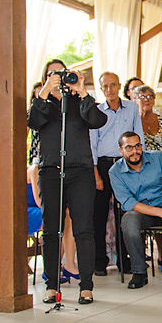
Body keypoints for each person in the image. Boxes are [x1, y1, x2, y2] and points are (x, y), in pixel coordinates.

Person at [29, 64, 108, 304]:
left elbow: (97, 120)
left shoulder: (79, 101)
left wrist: (81, 91)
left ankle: (86, 285)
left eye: (63, 73)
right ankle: (51, 285)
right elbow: (33, 122)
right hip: (51, 171)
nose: (60, 78)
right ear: (46, 78)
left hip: (80, 171)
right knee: (51, 229)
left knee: (84, 228)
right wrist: (44, 92)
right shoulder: (42, 103)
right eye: (53, 74)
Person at [109, 131, 162, 289]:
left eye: (137, 146)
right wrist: (161, 212)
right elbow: (128, 202)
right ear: (120, 151)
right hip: (143, 213)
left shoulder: (158, 158)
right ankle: (139, 272)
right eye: (129, 148)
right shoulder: (115, 172)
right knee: (128, 220)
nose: (135, 151)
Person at [91, 71, 142, 277]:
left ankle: (124, 260)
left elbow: (138, 136)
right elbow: (92, 144)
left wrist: (138, 165)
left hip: (125, 164)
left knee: (125, 213)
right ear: (101, 88)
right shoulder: (96, 111)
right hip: (103, 164)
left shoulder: (131, 108)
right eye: (105, 86)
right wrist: (95, 173)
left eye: (113, 85)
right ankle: (99, 262)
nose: (110, 90)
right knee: (99, 214)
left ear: (119, 86)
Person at [133, 84, 162, 154]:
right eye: (142, 97)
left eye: (149, 96)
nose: (146, 99)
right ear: (135, 101)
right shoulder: (133, 122)